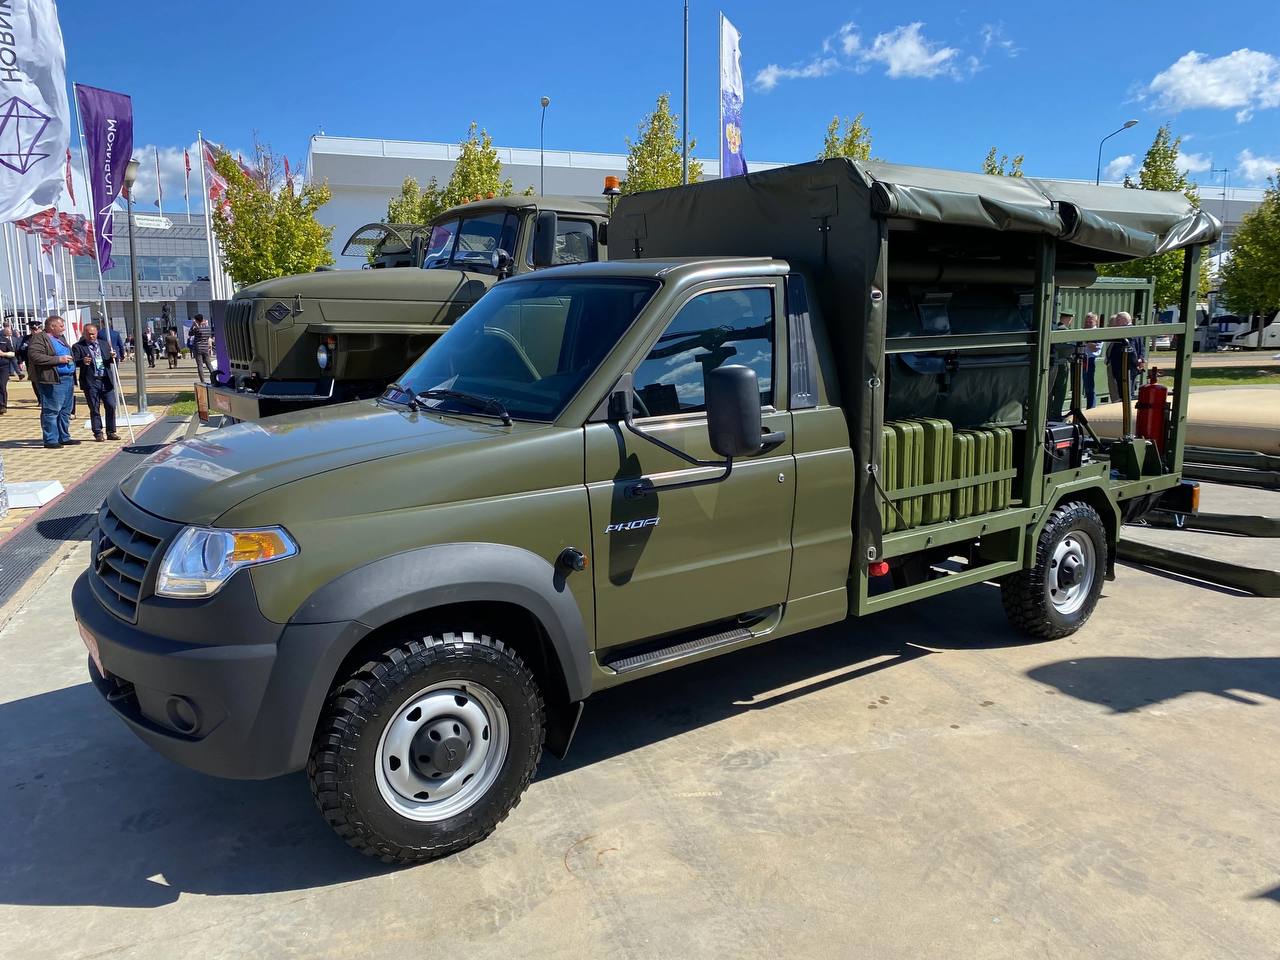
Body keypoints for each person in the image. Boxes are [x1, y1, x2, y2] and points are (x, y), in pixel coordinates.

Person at [26, 315, 81, 449]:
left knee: (65, 410)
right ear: (52, 326)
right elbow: (35, 356)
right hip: (52, 380)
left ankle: (64, 437)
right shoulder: (39, 338)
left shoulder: (60, 338)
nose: (63, 329)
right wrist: (58, 360)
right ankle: (51, 439)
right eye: (61, 326)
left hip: (68, 379)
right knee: (51, 410)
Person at [71, 323, 121, 442]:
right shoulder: (78, 346)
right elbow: (74, 361)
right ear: (84, 334)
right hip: (91, 381)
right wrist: (82, 361)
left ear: (97, 333)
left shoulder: (104, 344)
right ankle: (98, 432)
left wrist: (113, 357)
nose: (91, 336)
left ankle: (111, 431)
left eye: (93, 334)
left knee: (111, 405)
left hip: (106, 380)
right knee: (94, 408)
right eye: (89, 334)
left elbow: (110, 360)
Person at [1106, 311, 1146, 403]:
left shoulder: (1126, 332)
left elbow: (1130, 349)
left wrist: (1136, 362)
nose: (1116, 323)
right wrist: (1140, 359)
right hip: (1130, 367)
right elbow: (1141, 348)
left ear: (1124, 320)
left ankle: (1125, 410)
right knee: (1128, 392)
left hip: (1125, 368)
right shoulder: (1135, 330)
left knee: (1125, 394)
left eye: (1117, 320)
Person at [1049, 310, 1074, 419]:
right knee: (1060, 390)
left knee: (1050, 388)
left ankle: (1048, 412)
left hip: (1052, 363)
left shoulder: (1054, 328)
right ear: (1069, 319)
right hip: (1061, 364)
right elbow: (1067, 349)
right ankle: (1056, 413)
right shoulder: (1064, 330)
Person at [18, 318, 42, 400]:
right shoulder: (27, 338)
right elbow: (21, 350)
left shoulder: (45, 337)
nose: (35, 331)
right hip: (30, 364)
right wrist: (20, 361)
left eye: (36, 329)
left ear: (39, 328)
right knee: (34, 382)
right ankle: (40, 399)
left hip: (44, 363)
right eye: (32, 329)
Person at [1081, 313, 1102, 409]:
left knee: (1089, 385)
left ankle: (1091, 407)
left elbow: (1095, 348)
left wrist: (1085, 340)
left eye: (1090, 322)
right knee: (1080, 385)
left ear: (1096, 322)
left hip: (1090, 360)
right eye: (1086, 322)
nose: (1088, 324)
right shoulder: (1082, 331)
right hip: (1080, 359)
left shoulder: (1098, 333)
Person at [190, 313, 214, 383]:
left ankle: (202, 381)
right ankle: (214, 378)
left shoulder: (197, 329)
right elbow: (208, 336)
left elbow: (190, 333)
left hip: (198, 348)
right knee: (209, 364)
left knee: (200, 365)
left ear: (197, 321)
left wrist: (193, 326)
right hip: (205, 347)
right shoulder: (208, 328)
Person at [0, 324, 15, 414]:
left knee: (1, 385)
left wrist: (3, 354)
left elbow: (12, 353)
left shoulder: (4, 340)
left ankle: (2, 406)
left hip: (3, 367)